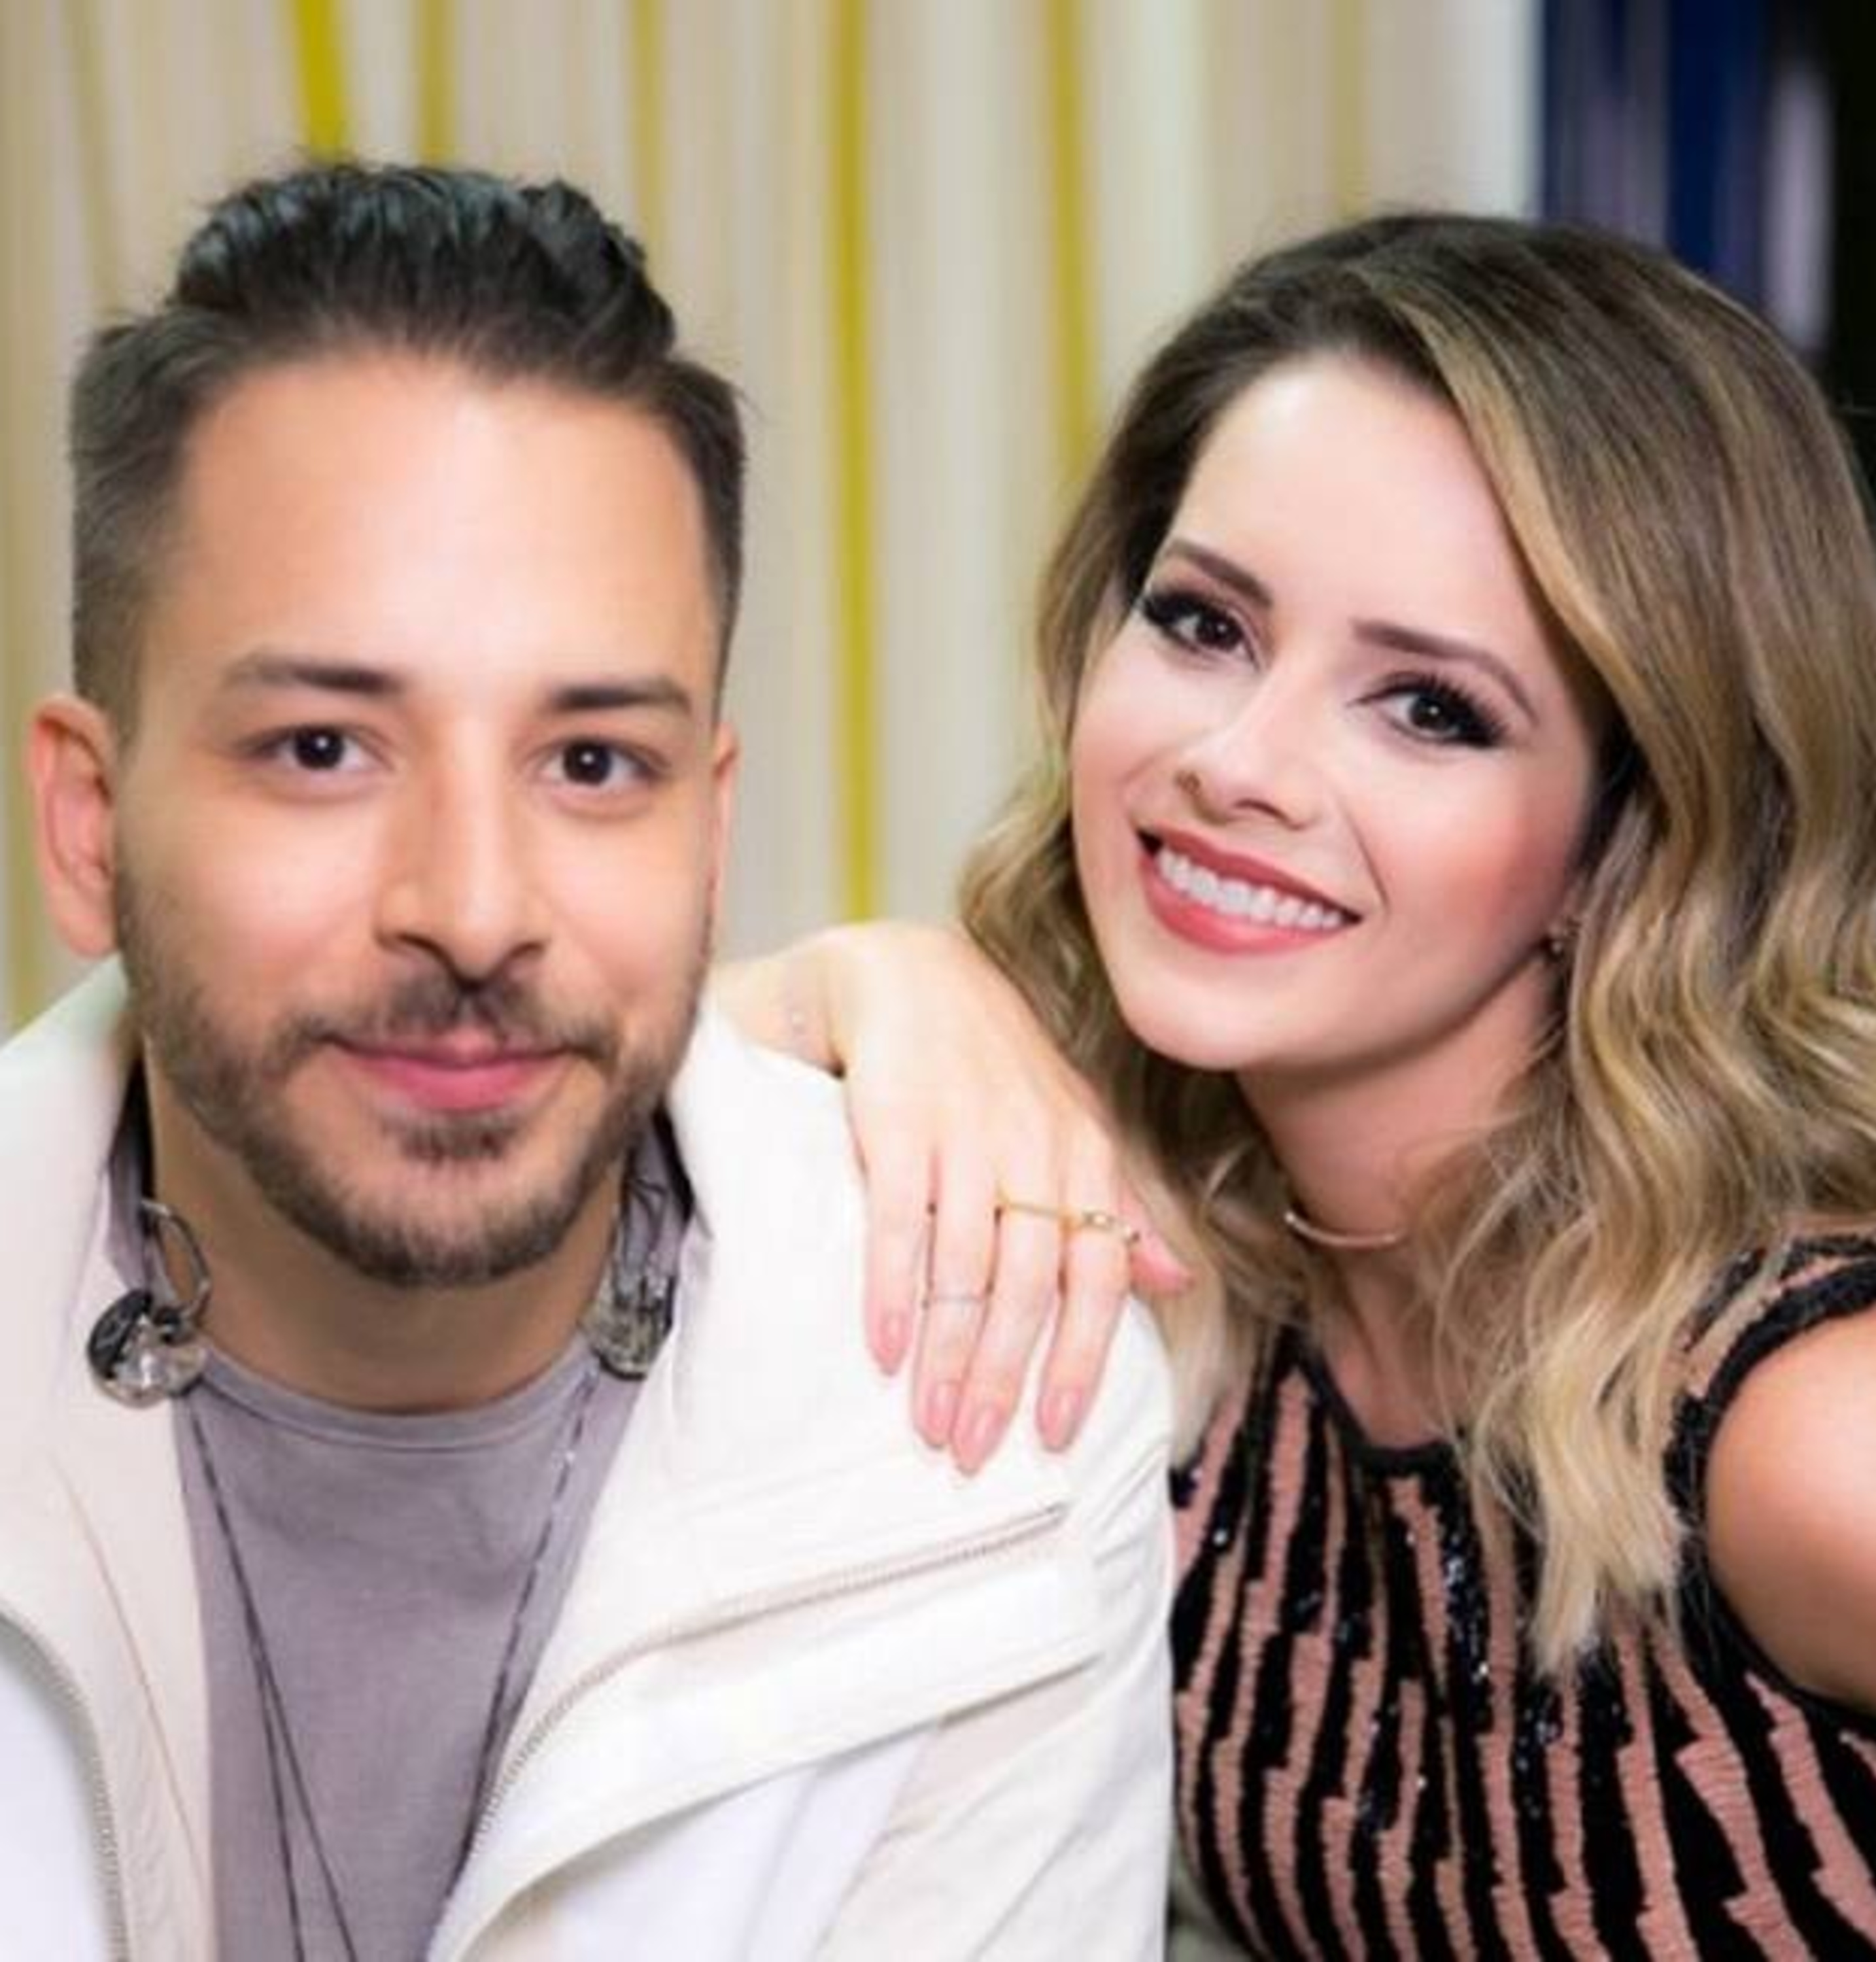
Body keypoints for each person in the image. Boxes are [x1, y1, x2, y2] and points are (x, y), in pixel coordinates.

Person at [726, 215, 1876, 1955]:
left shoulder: (1816, 1420)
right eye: (1205, 624)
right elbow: (507, 1121)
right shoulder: (1197, 1262)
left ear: (1634, 839)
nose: (1237, 764)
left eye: (1430, 709)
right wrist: (876, 981)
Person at [0, 161, 1172, 1960]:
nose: (474, 911)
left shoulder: (992, 1433)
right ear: (89, 824)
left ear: (710, 832)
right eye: (321, 748)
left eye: (593, 764)